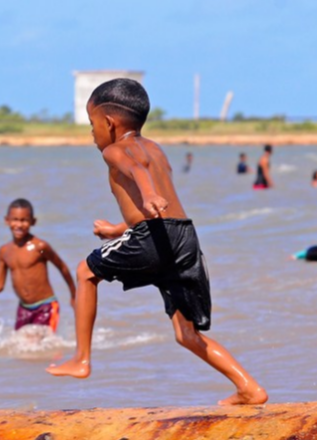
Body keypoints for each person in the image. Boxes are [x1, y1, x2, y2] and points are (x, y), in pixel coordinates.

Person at [45, 78, 267, 406]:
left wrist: (148, 195)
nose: (92, 133)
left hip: (154, 236)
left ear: (108, 122)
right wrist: (120, 228)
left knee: (85, 272)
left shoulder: (114, 150)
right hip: (183, 237)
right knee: (186, 334)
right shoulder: (156, 149)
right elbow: (158, 210)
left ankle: (81, 359)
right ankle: (249, 388)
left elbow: (137, 174)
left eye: (92, 125)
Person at [0, 198, 76, 333]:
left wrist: (74, 295)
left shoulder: (40, 247)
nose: (19, 225)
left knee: (41, 345)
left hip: (46, 306)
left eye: (24, 220)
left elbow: (62, 267)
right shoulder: (5, 251)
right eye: (15, 219)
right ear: (6, 220)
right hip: (24, 308)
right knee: (21, 347)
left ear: (33, 222)